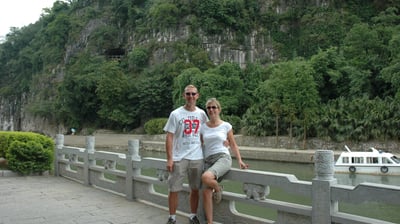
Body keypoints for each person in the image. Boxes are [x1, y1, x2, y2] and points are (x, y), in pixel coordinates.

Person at [163, 84, 208, 224]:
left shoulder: (201, 114)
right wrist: (170, 159)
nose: (191, 96)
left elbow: (207, 132)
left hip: (197, 157)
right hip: (179, 157)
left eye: (193, 94)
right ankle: (172, 217)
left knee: (195, 189)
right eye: (188, 94)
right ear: (184, 96)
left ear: (198, 95)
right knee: (174, 189)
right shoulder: (175, 114)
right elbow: (169, 136)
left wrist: (224, 142)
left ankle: (193, 215)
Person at [200, 98, 248, 224]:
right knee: (206, 192)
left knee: (205, 177)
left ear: (219, 109)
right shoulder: (203, 127)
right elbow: (200, 145)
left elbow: (233, 145)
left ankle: (218, 188)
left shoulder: (226, 126)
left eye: (214, 107)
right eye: (209, 108)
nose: (211, 110)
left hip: (223, 158)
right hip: (208, 160)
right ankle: (209, 222)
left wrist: (240, 160)